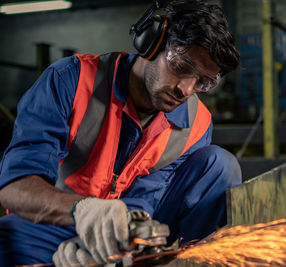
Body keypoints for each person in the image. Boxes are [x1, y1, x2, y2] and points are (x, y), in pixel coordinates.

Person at [0, 0, 241, 266]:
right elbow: (15, 188)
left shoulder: (196, 123)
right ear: (152, 43)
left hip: (132, 231)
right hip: (61, 220)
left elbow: (149, 199)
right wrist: (82, 212)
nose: (186, 89)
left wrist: (127, 242)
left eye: (203, 82)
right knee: (5, 239)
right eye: (182, 66)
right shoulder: (70, 81)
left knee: (219, 164)